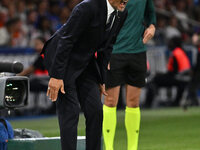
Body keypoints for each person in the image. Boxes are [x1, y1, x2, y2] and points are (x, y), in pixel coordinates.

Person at [41, 0, 128, 150]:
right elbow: (66, 39)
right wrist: (56, 76)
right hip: (63, 59)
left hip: (85, 61)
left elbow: (107, 47)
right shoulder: (87, 7)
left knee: (95, 110)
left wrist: (101, 79)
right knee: (71, 110)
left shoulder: (122, 13)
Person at [103, 0, 156, 150]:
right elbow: (100, 19)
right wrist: (102, 52)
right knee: (110, 100)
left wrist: (152, 26)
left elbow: (150, 13)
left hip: (137, 52)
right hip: (114, 52)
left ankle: (132, 148)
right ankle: (108, 148)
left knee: (133, 102)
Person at [144, 37, 191, 108]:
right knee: (159, 78)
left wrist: (160, 74)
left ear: (174, 44)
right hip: (184, 77)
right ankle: (176, 102)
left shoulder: (175, 53)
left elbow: (173, 72)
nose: (169, 44)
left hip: (179, 78)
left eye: (170, 42)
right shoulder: (181, 51)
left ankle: (148, 104)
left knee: (153, 81)